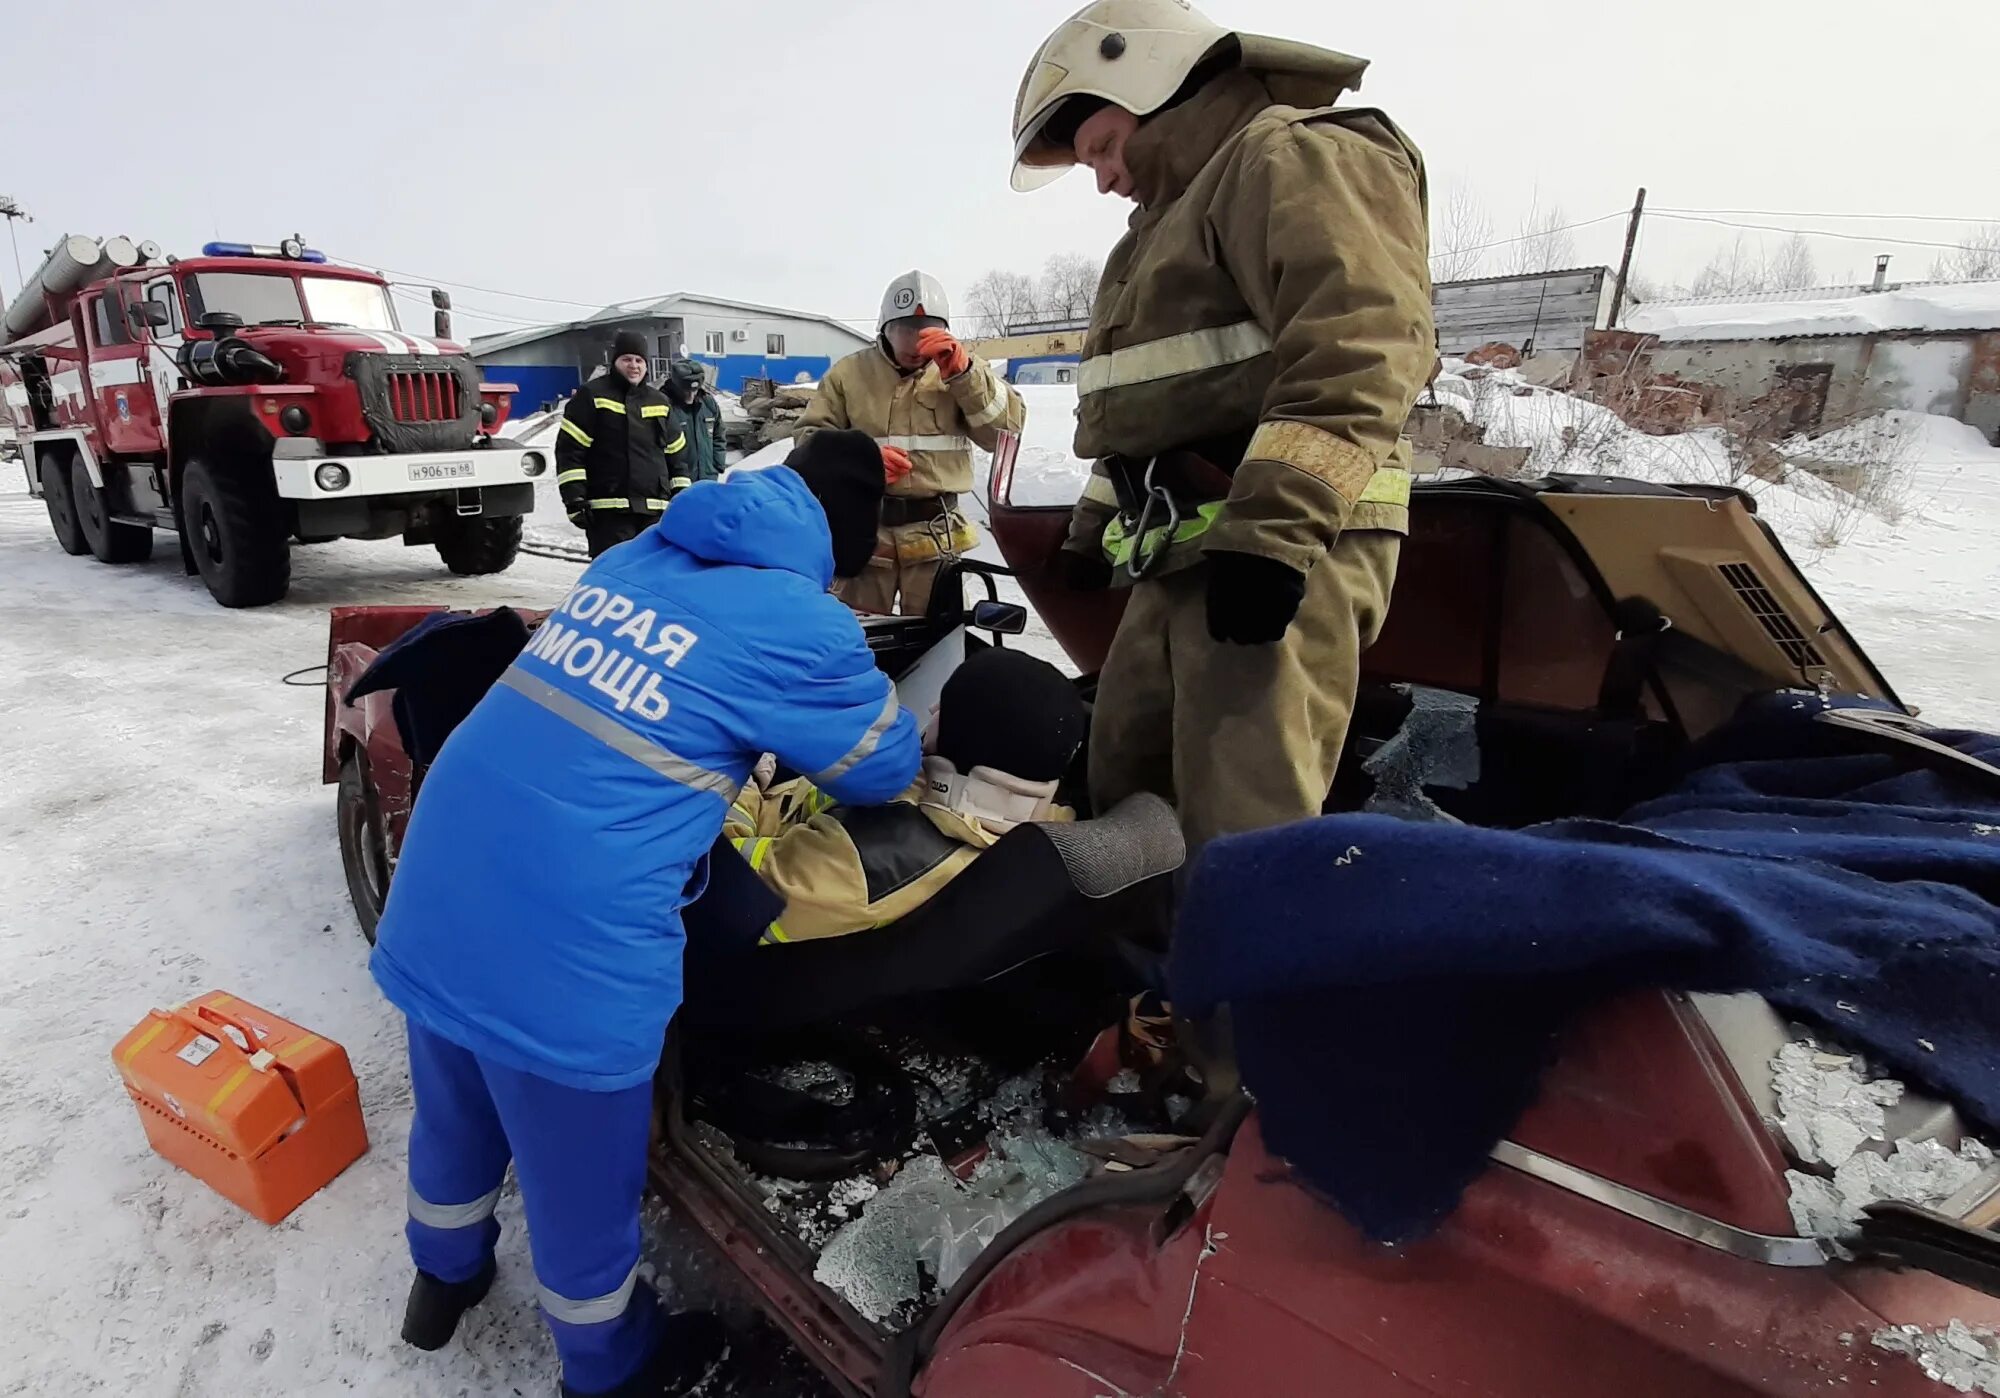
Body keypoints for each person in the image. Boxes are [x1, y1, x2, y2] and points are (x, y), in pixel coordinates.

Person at [369, 427, 921, 1398]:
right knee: (580, 1182)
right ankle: (612, 1362)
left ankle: (440, 1278)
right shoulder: (802, 621)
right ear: (837, 545)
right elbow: (881, 766)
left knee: (454, 1106)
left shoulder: (636, 555)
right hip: (564, 942)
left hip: (444, 875)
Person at [1010, 0, 1433, 850]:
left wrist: (1274, 538)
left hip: (1280, 549)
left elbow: (1361, 350)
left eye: (1099, 147)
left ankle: (1245, 985)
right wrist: (1093, 530)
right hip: (1185, 554)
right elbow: (1150, 407)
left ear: (1151, 80)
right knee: (1128, 790)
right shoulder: (1159, 229)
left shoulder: (1293, 154)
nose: (1101, 178)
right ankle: (1148, 980)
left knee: (1243, 828)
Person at [723, 647, 1085, 942]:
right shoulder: (1051, 828)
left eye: (946, 709)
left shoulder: (870, 860)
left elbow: (721, 892)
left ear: (965, 741)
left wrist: (740, 780)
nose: (932, 710)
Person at [794, 270, 1027, 617]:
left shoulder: (964, 370)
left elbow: (1004, 433)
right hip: (864, 537)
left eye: (926, 330)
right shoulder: (848, 375)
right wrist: (861, 461)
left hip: (935, 539)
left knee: (938, 645)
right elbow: (808, 443)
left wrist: (965, 378)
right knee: (855, 639)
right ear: (884, 328)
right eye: (905, 330)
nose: (916, 343)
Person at [556, 330, 695, 558]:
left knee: (650, 582)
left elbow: (677, 456)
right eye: (627, 359)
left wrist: (681, 500)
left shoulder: (659, 401)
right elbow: (570, 452)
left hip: (654, 514)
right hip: (608, 513)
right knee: (614, 580)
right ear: (615, 362)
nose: (634, 366)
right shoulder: (591, 395)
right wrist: (575, 499)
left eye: (639, 360)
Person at [663, 357, 727, 492]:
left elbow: (719, 435)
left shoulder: (708, 404)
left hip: (708, 478)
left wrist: (717, 464)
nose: (691, 396)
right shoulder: (664, 406)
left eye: (694, 391)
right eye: (686, 391)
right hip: (678, 483)